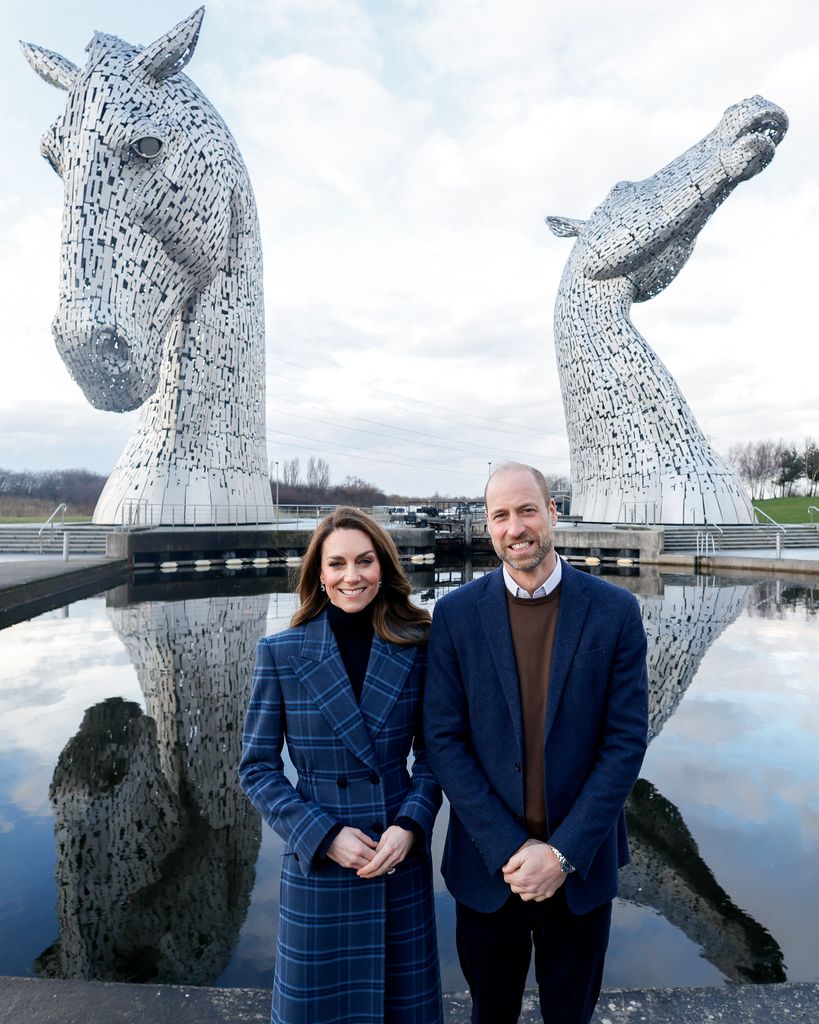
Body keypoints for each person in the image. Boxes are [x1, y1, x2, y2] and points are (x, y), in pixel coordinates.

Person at [424, 463, 649, 1024]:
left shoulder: (615, 612)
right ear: (487, 525)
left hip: (580, 871)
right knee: (489, 1013)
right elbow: (444, 740)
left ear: (553, 512)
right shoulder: (454, 616)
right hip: (488, 870)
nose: (515, 527)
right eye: (500, 515)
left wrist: (562, 854)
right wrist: (510, 848)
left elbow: (624, 744)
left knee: (570, 1014)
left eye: (527, 510)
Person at [239, 507, 443, 1024]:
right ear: (319, 574)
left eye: (365, 561)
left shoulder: (419, 645)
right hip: (319, 862)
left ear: (384, 567)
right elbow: (258, 769)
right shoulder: (280, 653)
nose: (352, 576)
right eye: (337, 564)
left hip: (396, 853)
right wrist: (324, 834)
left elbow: (435, 756)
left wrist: (410, 825)